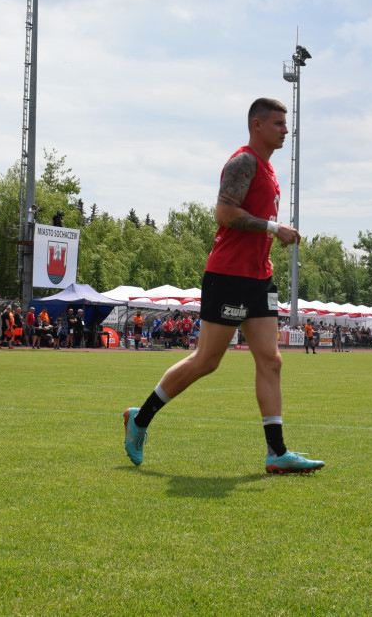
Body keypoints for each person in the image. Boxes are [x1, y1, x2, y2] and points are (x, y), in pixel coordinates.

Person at [123, 97, 324, 474]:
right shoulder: (244, 161)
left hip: (259, 277)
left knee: (271, 359)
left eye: (287, 123)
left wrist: (270, 237)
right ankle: (140, 418)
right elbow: (224, 213)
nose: (286, 130)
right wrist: (272, 228)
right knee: (207, 361)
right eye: (279, 123)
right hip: (229, 275)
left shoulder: (269, 170)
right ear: (257, 125)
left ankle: (276, 452)